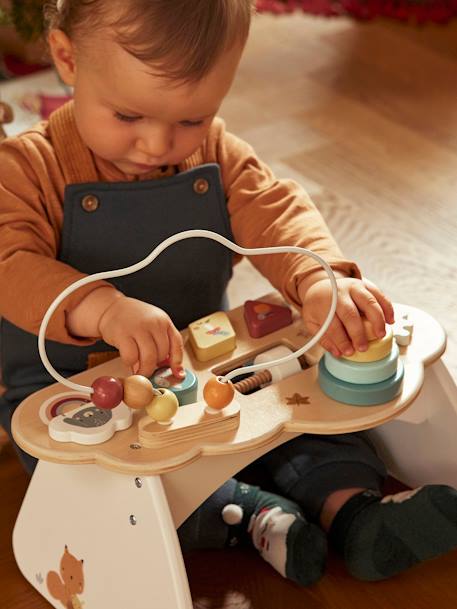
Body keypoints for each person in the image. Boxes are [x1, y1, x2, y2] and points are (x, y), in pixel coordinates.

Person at [0, 0, 456, 588]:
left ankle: (354, 511)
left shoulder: (215, 154)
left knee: (298, 415)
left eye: (191, 119)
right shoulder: (26, 169)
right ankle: (248, 515)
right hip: (79, 393)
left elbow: (277, 212)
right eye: (128, 115)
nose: (158, 143)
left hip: (208, 369)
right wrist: (103, 309)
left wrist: (318, 280)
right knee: (107, 482)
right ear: (66, 58)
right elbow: (11, 265)